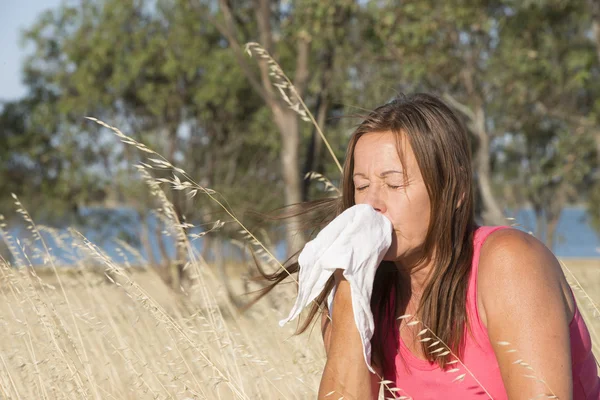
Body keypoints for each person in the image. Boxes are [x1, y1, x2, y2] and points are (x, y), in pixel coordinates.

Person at [253, 93, 600, 399]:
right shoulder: (361, 289)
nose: (371, 204)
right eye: (361, 186)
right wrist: (348, 287)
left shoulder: (508, 263)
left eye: (393, 184)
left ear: (454, 190)